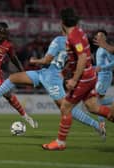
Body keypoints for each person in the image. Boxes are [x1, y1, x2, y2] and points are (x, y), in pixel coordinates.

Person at [0, 35, 106, 140]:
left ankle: (97, 125)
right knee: (13, 78)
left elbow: (47, 60)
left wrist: (34, 61)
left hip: (51, 78)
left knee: (65, 108)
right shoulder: (75, 47)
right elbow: (71, 65)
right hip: (43, 73)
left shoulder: (61, 41)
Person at [41, 8, 114, 150]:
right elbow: (80, 57)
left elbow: (82, 57)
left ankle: (60, 143)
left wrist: (74, 79)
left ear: (61, 22)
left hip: (84, 78)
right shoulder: (79, 32)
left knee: (65, 107)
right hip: (89, 74)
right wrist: (68, 70)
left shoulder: (74, 36)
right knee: (93, 107)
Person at [94, 29, 114, 130]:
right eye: (98, 36)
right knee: (98, 101)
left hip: (105, 76)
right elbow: (99, 65)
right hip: (101, 76)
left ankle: (101, 125)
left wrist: (102, 68)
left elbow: (113, 63)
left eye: (101, 36)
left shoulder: (106, 49)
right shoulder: (99, 49)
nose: (99, 37)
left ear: (105, 38)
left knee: (97, 101)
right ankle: (102, 125)